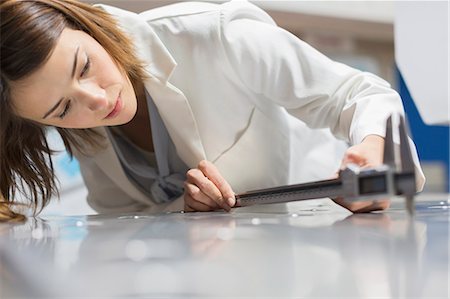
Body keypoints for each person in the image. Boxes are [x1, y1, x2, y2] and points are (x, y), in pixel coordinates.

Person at [0, 0, 425, 222]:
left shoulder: (214, 35)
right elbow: (123, 219)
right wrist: (185, 210)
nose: (94, 101)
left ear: (84, 24)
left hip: (323, 238)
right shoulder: (85, 132)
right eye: (62, 109)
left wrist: (374, 150)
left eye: (85, 66)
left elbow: (359, 93)